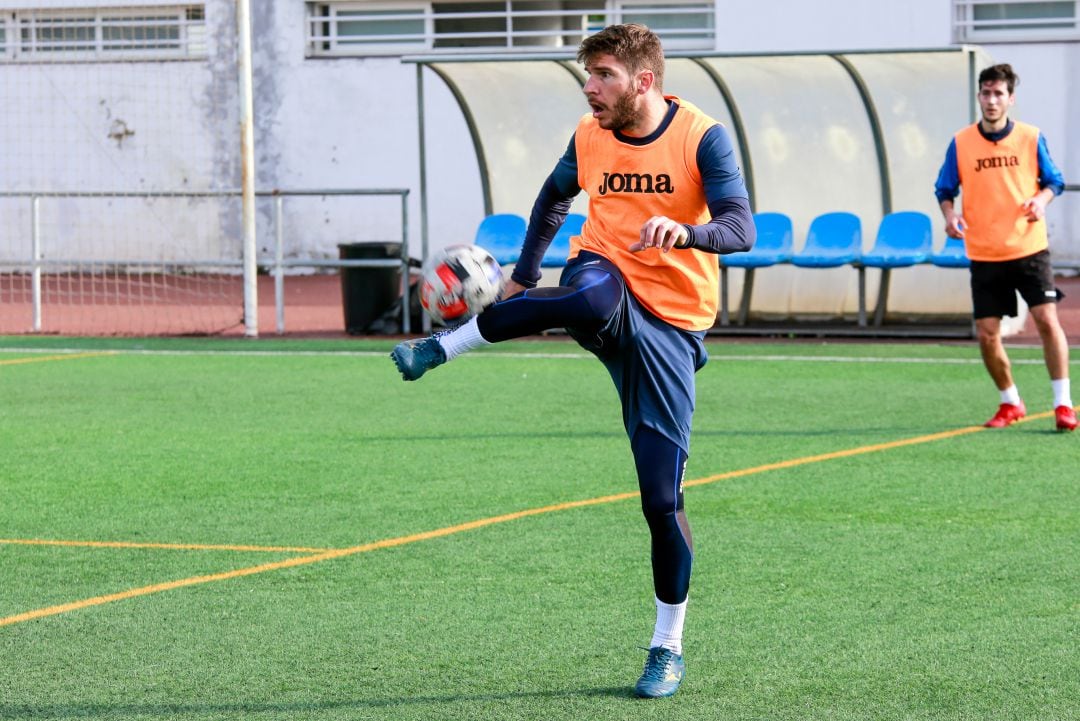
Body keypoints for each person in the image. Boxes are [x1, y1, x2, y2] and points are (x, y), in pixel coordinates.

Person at [392, 24, 755, 698]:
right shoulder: (589, 135)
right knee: (588, 296)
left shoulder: (702, 136)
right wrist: (526, 276)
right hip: (604, 275)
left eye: (604, 75)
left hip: (674, 323)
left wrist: (688, 231)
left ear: (644, 81)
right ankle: (443, 346)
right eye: (587, 75)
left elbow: (741, 227)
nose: (590, 87)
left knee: (662, 499)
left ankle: (665, 647)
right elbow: (553, 196)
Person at [935, 63, 1075, 432]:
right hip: (984, 252)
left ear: (1010, 98)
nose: (991, 100)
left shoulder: (1030, 137)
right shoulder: (962, 142)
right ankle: (1010, 401)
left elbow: (1054, 181)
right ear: (979, 96)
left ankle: (1063, 404)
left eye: (999, 94)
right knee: (986, 333)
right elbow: (944, 190)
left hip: (1029, 248)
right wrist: (949, 215)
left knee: (1046, 320)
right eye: (986, 93)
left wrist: (1041, 200)